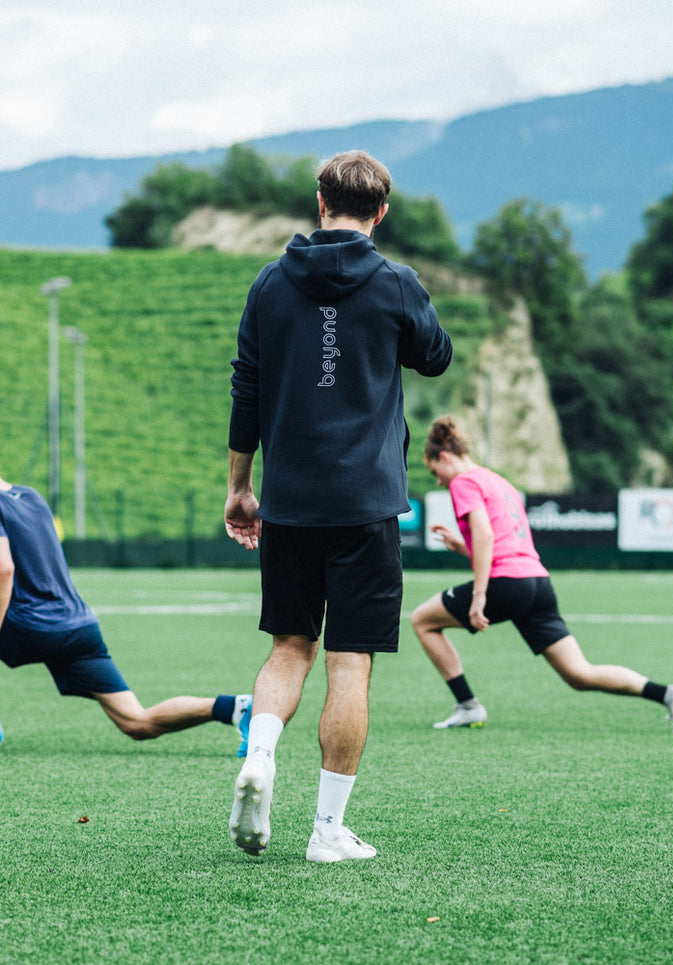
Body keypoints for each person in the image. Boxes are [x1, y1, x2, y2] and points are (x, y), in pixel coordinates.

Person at [225, 150, 453, 863]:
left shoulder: (269, 282)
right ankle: (326, 829)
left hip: (289, 500)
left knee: (289, 645)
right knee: (349, 663)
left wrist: (239, 486)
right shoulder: (395, 282)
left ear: (318, 201)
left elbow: (246, 389)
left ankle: (259, 753)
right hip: (366, 506)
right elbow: (436, 356)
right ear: (379, 211)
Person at [0, 425, 252, 753]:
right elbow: (26, 544)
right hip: (78, 626)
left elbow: (4, 567)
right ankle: (235, 708)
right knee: (136, 722)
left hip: (31, 624)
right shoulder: (30, 497)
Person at [410, 417, 673, 734]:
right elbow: (503, 541)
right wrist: (464, 548)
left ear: (445, 457)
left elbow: (485, 535)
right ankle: (671, 694)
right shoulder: (497, 481)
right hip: (537, 583)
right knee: (579, 674)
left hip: (505, 582)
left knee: (423, 620)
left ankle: (468, 706)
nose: (439, 482)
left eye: (435, 473)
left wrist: (479, 596)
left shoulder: (463, 482)